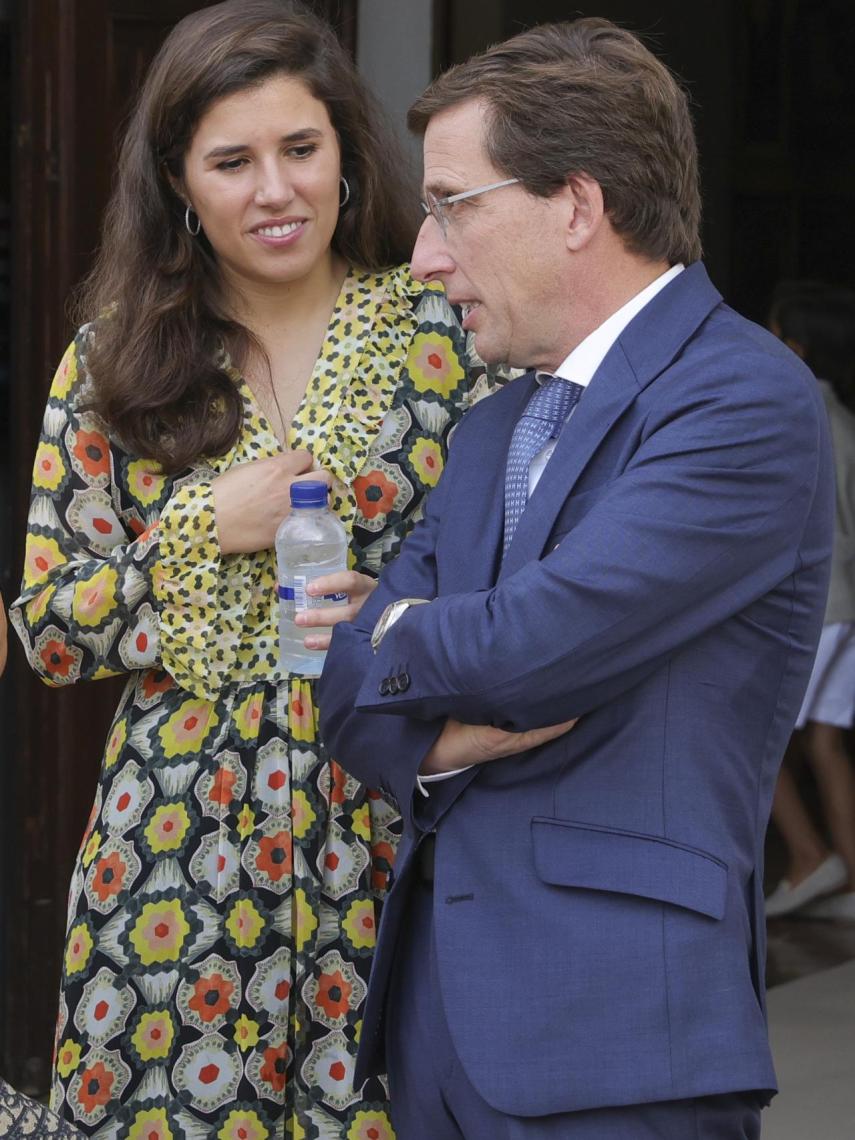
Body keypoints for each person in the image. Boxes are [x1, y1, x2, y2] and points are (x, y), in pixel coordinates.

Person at [318, 18, 835, 1140]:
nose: (423, 253)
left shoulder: (742, 401)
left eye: (452, 204)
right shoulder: (494, 425)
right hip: (438, 1029)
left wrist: (396, 624)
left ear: (576, 205)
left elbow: (531, 646)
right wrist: (441, 728)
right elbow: (336, 681)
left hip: (617, 1045)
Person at [10, 1, 498, 1135]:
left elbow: (515, 581)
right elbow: (45, 625)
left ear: (345, 155)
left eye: (300, 149)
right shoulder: (114, 361)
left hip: (387, 829)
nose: (274, 190)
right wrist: (195, 527)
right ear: (180, 181)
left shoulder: (445, 335)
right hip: (173, 853)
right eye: (231, 161)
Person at [765, 282, 855, 920]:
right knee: (824, 742)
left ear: (793, 348)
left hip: (816, 606)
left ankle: (805, 855)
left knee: (752, 743)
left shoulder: (796, 415)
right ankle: (846, 877)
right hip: (847, 604)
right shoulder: (846, 417)